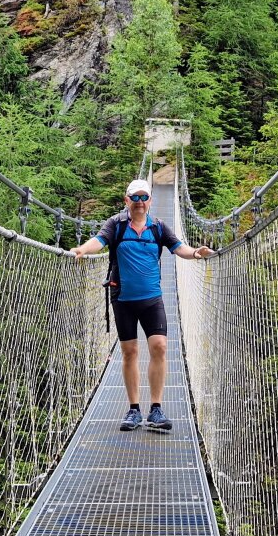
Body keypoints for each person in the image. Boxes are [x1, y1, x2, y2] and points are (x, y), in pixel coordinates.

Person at [71, 178, 212, 432]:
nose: (139, 202)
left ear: (150, 201)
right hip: (122, 299)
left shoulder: (158, 227)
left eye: (143, 198)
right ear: (127, 201)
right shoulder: (116, 225)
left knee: (159, 347)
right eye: (134, 198)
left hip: (152, 299)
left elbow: (179, 247)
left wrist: (195, 253)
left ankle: (156, 409)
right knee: (130, 352)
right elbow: (99, 241)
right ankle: (134, 409)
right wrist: (82, 250)